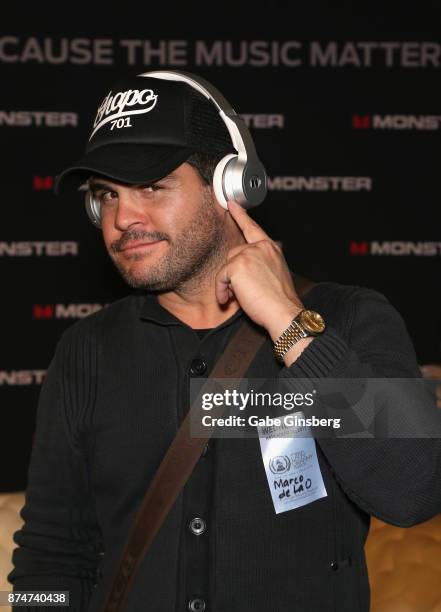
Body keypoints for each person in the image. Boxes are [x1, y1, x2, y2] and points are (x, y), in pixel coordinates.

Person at [8, 71, 441, 612]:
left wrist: (289, 324)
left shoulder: (348, 318)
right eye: (106, 195)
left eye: (152, 186)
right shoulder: (86, 352)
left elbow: (415, 487)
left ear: (230, 186)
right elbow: (50, 560)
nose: (124, 219)